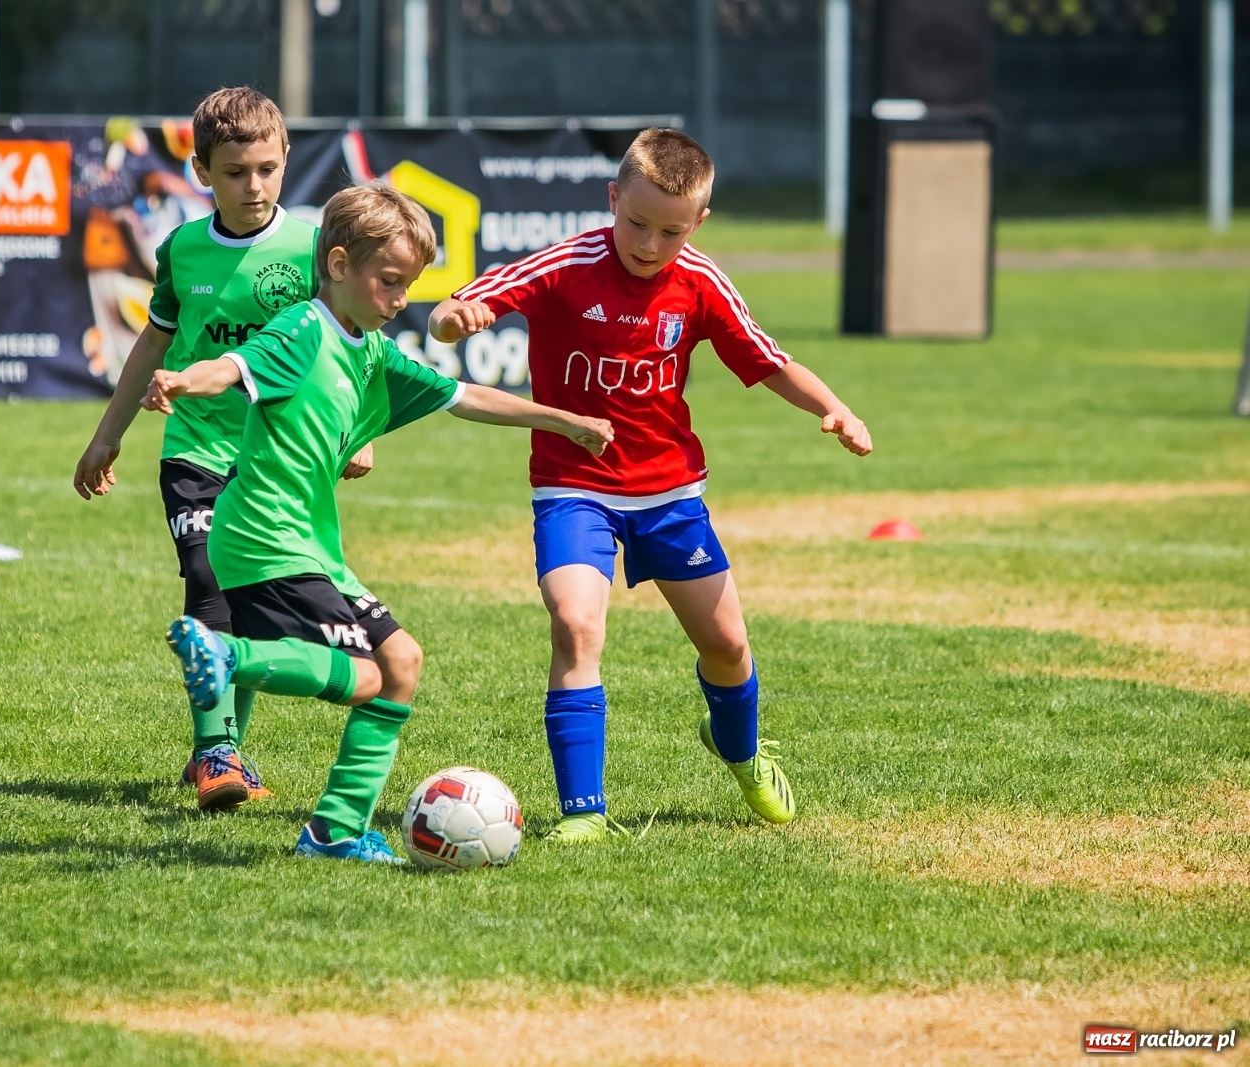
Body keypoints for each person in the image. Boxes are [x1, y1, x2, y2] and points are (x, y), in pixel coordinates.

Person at [428, 128, 873, 841]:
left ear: (698, 223)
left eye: (670, 230)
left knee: (727, 643)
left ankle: (742, 751)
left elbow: (767, 360)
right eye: (636, 223)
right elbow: (459, 309)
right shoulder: (568, 263)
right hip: (573, 486)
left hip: (670, 495)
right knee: (575, 624)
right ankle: (584, 815)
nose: (648, 243)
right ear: (613, 198)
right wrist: (456, 318)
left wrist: (835, 408)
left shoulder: (699, 281)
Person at [149, 182, 614, 864]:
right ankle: (225, 656)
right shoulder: (305, 330)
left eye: (409, 286)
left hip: (307, 543)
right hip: (264, 536)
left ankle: (334, 831)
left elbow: (462, 395)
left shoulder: (368, 350)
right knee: (367, 674)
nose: (401, 301)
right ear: (338, 265)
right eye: (389, 282)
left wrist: (563, 421)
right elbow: (233, 366)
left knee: (401, 662)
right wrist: (187, 379)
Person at [72, 86, 378, 812]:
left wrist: (357, 433)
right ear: (202, 171)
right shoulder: (182, 249)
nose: (254, 186)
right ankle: (217, 754)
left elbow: (351, 337)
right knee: (209, 580)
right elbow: (155, 337)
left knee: (250, 599)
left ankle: (220, 744)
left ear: (285, 161)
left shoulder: (310, 247)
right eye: (236, 172)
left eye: (267, 169)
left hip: (278, 458)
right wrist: (107, 434)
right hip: (195, 453)